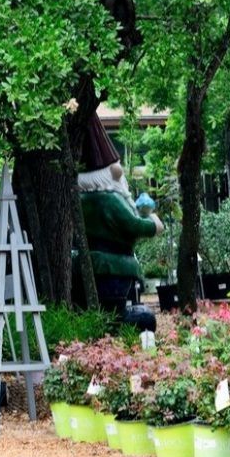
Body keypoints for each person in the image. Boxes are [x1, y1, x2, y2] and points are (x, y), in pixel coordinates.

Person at [75, 116, 163, 315]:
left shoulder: (78, 201)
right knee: (114, 308)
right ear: (113, 172)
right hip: (113, 267)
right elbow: (133, 225)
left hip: (84, 265)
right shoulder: (110, 200)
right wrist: (154, 222)